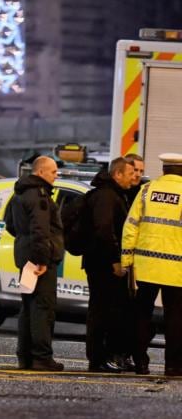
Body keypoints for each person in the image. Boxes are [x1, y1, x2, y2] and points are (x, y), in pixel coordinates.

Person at [122, 152, 182, 377]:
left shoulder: (146, 191)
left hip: (145, 266)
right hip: (176, 270)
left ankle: (140, 363)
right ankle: (174, 366)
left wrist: (127, 260)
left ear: (164, 170)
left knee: (141, 316)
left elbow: (131, 227)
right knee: (175, 318)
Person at [4, 155, 65, 371]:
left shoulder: (19, 193)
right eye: (53, 172)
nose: (56, 176)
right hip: (38, 262)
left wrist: (24, 241)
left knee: (28, 308)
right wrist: (41, 259)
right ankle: (41, 357)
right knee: (43, 309)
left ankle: (25, 357)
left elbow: (10, 224)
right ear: (41, 173)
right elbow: (41, 231)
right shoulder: (40, 196)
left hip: (25, 257)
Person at [81, 157, 136, 372]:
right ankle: (97, 359)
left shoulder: (113, 194)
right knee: (101, 311)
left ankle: (103, 358)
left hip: (102, 261)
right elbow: (104, 230)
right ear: (118, 174)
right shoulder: (106, 196)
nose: (134, 177)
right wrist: (114, 260)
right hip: (102, 263)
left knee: (107, 311)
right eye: (130, 173)